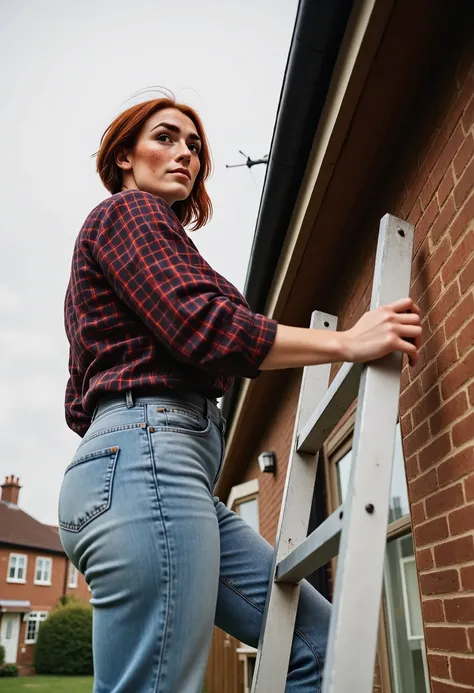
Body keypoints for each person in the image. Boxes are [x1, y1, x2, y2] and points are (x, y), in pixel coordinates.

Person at [59, 96, 422, 693]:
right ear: (124, 155)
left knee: (316, 644)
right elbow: (202, 327)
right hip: (148, 462)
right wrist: (349, 343)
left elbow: (83, 397)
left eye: (194, 146)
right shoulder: (128, 214)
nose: (184, 154)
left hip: (156, 471)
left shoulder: (148, 240)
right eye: (166, 138)